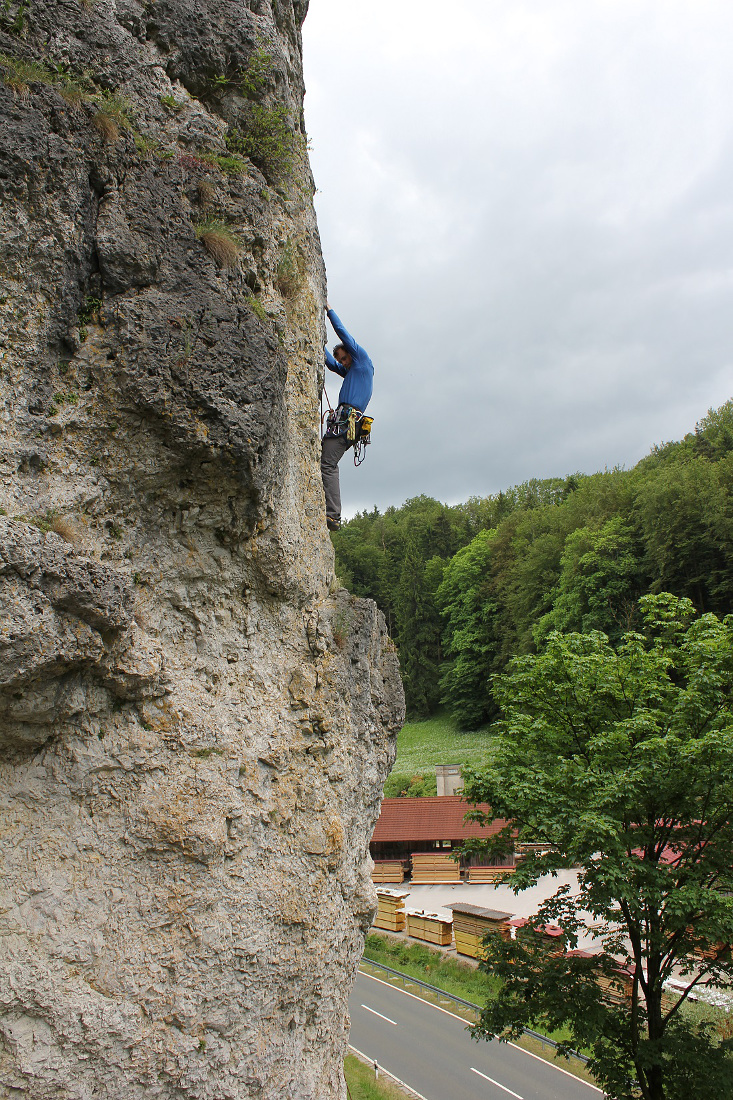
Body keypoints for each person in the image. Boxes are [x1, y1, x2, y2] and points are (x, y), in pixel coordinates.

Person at [321, 303, 374, 531]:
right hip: (347, 423)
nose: (344, 362)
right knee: (327, 460)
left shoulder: (361, 360)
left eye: (345, 357)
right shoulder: (351, 370)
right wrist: (318, 343)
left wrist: (329, 311)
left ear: (350, 353)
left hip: (348, 422)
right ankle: (332, 512)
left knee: (328, 464)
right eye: (342, 360)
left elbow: (343, 333)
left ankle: (333, 515)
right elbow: (332, 365)